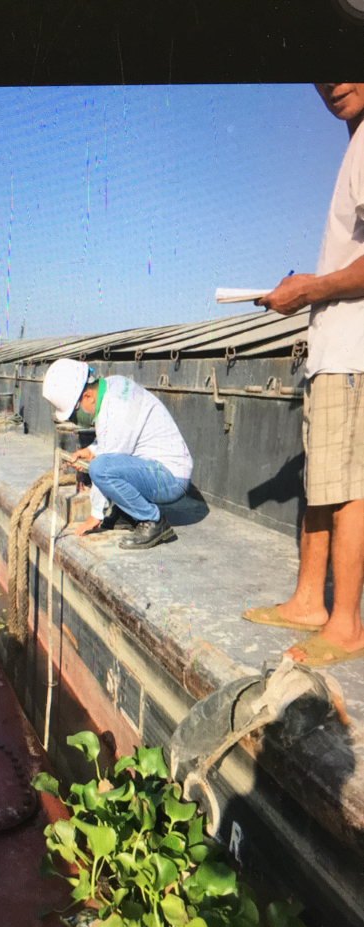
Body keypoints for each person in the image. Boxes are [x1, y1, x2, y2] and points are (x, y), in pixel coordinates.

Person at [243, 83, 364, 667]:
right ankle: (310, 602)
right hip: (332, 352)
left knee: (350, 491)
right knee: (323, 482)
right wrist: (301, 293)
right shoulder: (355, 144)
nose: (333, 83)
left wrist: (310, 288)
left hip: (353, 353)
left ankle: (346, 625)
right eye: (318, 74)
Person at [42, 358, 193, 549]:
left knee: (99, 468)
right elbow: (114, 438)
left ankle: (153, 521)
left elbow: (106, 464)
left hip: (170, 479)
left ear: (87, 397)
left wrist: (96, 514)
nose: (75, 419)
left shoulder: (116, 410)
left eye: (74, 413)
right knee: (101, 464)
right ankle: (128, 513)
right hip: (161, 468)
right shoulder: (113, 385)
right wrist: (90, 450)